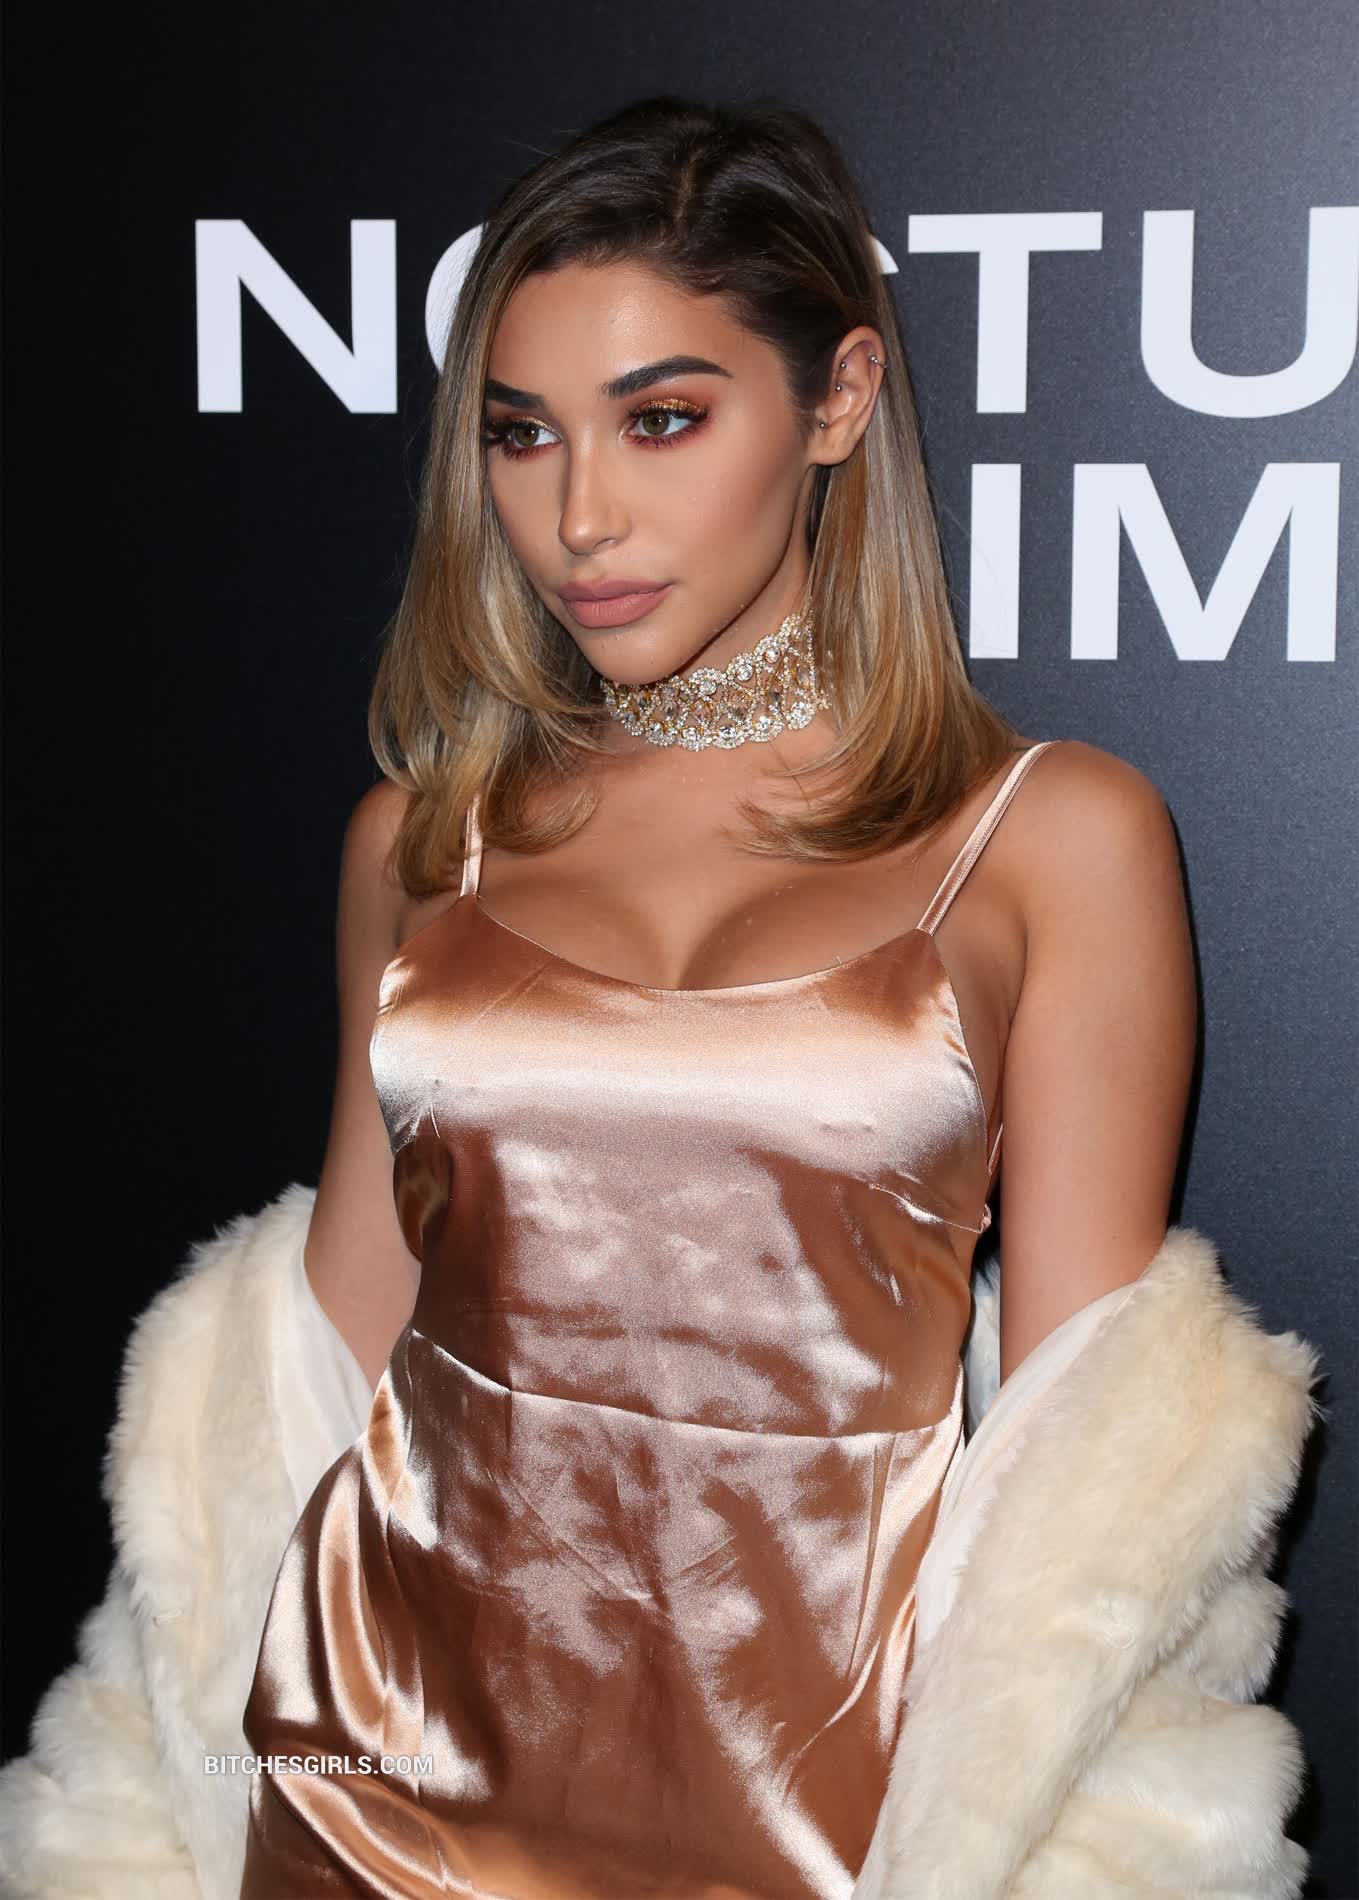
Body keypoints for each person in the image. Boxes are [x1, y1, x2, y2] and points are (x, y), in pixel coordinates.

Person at [0, 94, 1319, 1900]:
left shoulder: (1052, 837)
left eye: (665, 419)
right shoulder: (423, 839)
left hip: (832, 1809)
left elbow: (1093, 1461)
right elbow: (320, 1354)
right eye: (521, 434)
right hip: (371, 1781)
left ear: (838, 400)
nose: (580, 516)